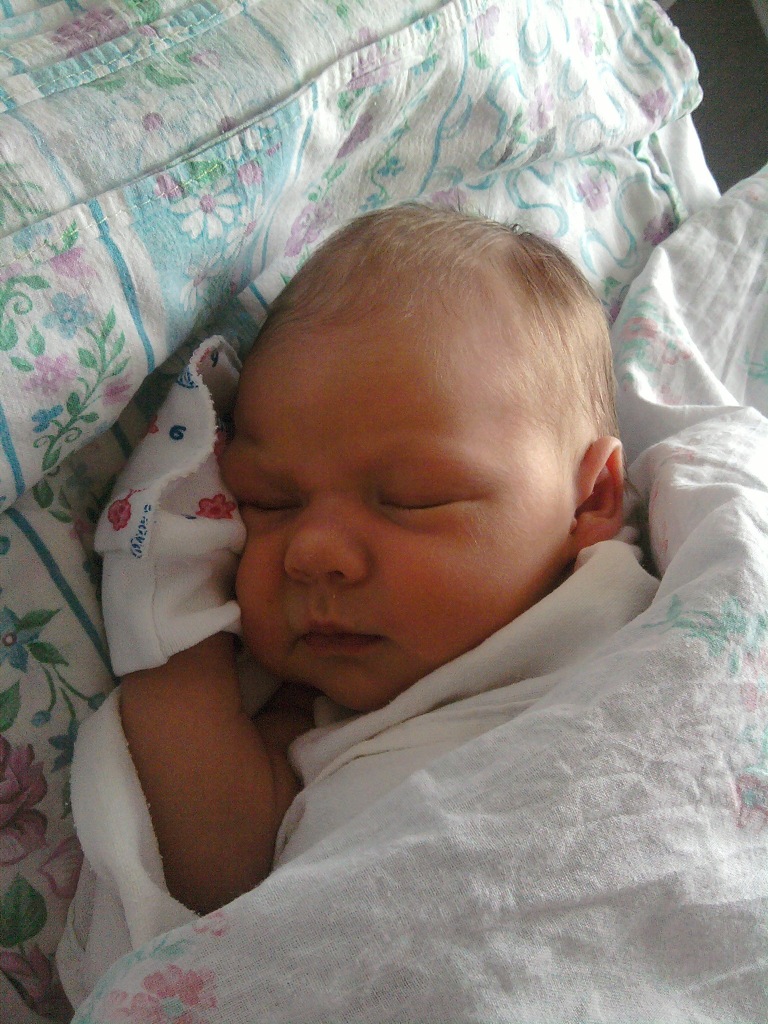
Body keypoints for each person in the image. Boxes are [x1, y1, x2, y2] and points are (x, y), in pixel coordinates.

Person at [59, 204, 658, 1004]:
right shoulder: (306, 719)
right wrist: (169, 597)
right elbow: (218, 873)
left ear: (592, 499)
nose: (311, 552)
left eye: (411, 498)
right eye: (268, 502)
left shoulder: (659, 622)